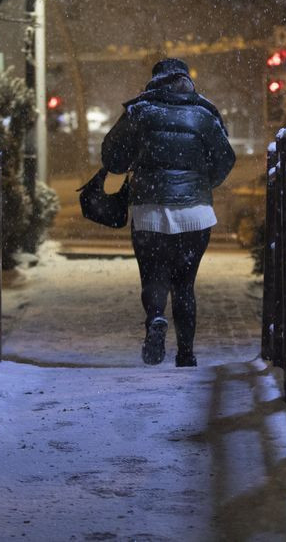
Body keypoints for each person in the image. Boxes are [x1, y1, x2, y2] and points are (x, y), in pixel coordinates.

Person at [101, 58, 235, 366]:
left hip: (150, 211)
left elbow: (112, 158)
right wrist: (201, 183)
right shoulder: (204, 114)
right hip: (195, 214)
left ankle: (157, 318)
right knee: (185, 284)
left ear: (155, 82)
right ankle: (186, 354)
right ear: (187, 81)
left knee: (153, 276)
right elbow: (225, 159)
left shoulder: (140, 111)